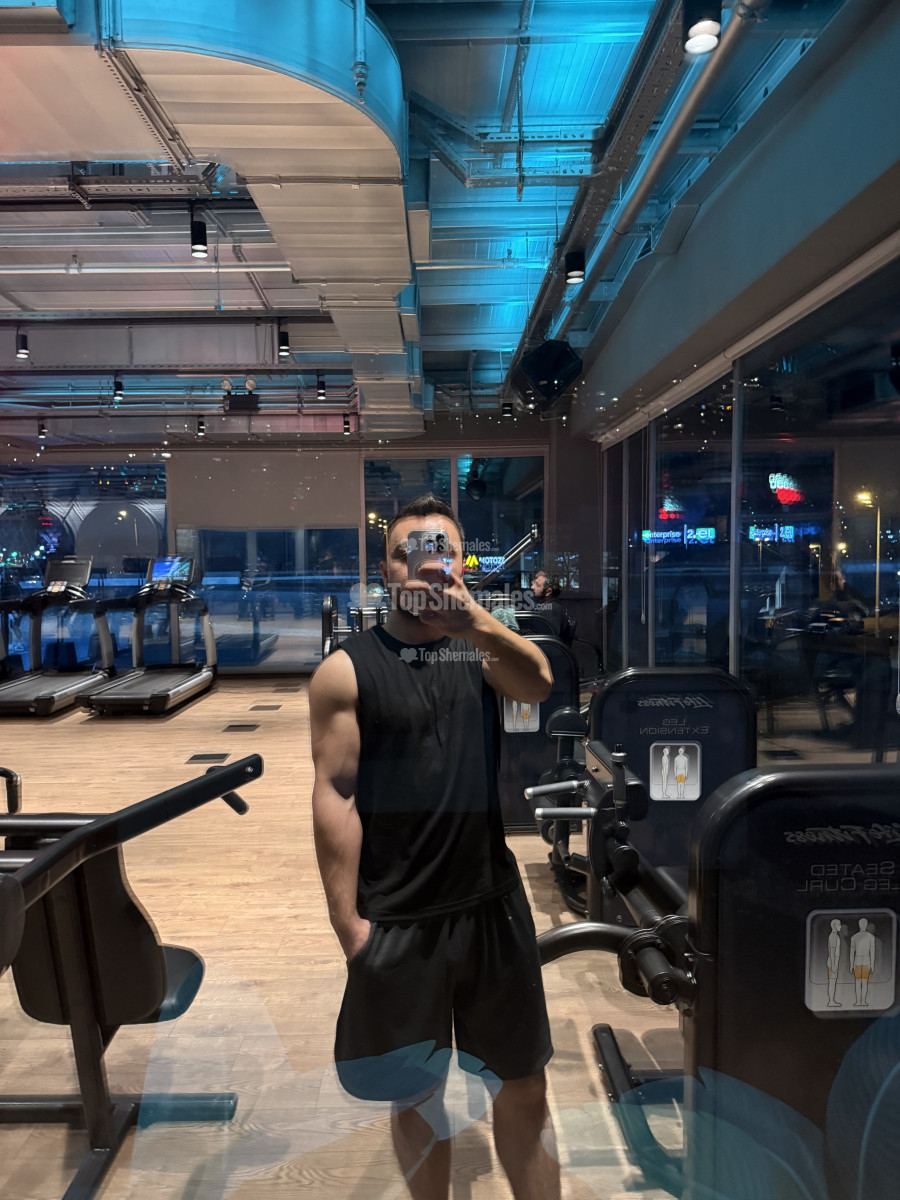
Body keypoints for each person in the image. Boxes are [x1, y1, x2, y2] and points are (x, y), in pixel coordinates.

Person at [309, 494, 559, 1200]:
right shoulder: (344, 671)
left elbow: (539, 683)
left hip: (489, 904)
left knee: (523, 1084)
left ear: (460, 565)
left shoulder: (479, 651)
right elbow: (336, 794)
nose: (424, 564)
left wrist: (470, 618)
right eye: (407, 553)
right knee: (416, 1093)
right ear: (385, 569)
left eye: (440, 550)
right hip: (398, 916)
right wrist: (349, 925)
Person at [528, 570, 574, 645]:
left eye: (537, 585)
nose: (532, 587)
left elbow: (546, 643)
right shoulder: (549, 606)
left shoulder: (551, 610)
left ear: (548, 592)